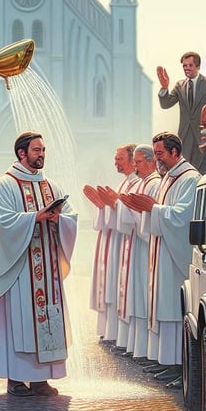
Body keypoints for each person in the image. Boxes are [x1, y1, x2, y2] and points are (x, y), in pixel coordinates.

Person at [0, 132, 77, 397]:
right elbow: (3, 222)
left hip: (48, 269)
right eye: (37, 150)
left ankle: (40, 380)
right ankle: (15, 379)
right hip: (19, 270)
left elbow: (69, 217)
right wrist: (34, 218)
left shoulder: (51, 185)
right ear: (22, 153)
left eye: (44, 150)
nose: (42, 155)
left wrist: (61, 220)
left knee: (47, 319)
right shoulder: (6, 184)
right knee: (18, 322)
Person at [121, 132, 200, 389]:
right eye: (156, 155)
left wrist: (152, 209)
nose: (158, 160)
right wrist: (150, 209)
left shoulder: (190, 179)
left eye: (161, 155)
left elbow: (182, 216)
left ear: (175, 152)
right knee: (164, 308)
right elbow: (161, 213)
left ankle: (181, 366)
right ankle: (168, 361)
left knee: (175, 312)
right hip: (162, 251)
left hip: (174, 256)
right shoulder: (170, 178)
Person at [83, 144, 137, 346]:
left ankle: (118, 336)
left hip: (123, 243)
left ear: (133, 160)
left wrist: (113, 204)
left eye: (119, 159)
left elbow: (130, 217)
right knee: (111, 289)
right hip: (113, 242)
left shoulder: (136, 184)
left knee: (119, 290)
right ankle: (110, 332)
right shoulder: (124, 184)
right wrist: (102, 205)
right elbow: (114, 213)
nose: (115, 162)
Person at [114, 144, 161, 360]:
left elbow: (150, 220)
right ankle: (138, 348)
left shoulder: (154, 184)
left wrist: (127, 208)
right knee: (136, 298)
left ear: (150, 161)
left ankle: (147, 353)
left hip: (145, 248)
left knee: (143, 299)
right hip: (136, 244)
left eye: (138, 162)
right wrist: (118, 207)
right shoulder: (142, 183)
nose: (135, 166)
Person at [157, 52, 206, 170]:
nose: (187, 68)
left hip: (203, 135)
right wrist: (164, 87)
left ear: (198, 66)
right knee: (186, 168)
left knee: (205, 169)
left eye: (190, 65)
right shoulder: (179, 85)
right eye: (184, 66)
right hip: (185, 137)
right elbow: (166, 104)